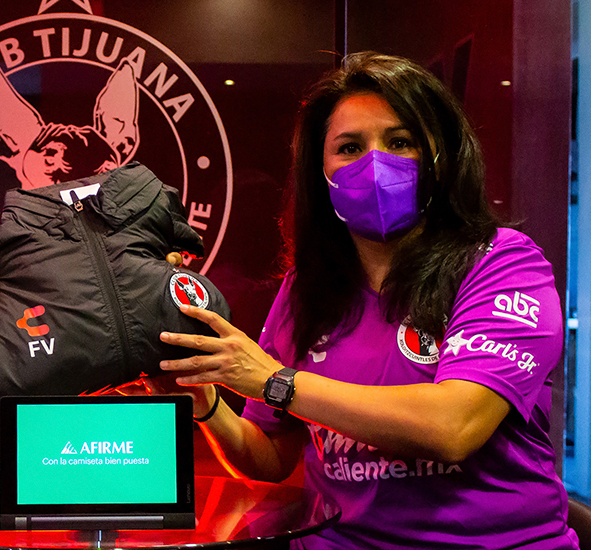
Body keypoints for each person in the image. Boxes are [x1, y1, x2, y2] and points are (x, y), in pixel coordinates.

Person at [156, 52, 579, 549]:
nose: (375, 163)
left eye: (400, 142)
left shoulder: (501, 263)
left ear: (440, 154)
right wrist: (202, 402)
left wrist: (275, 380)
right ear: (321, 171)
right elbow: (269, 457)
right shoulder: (306, 289)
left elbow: (454, 425)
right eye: (349, 148)